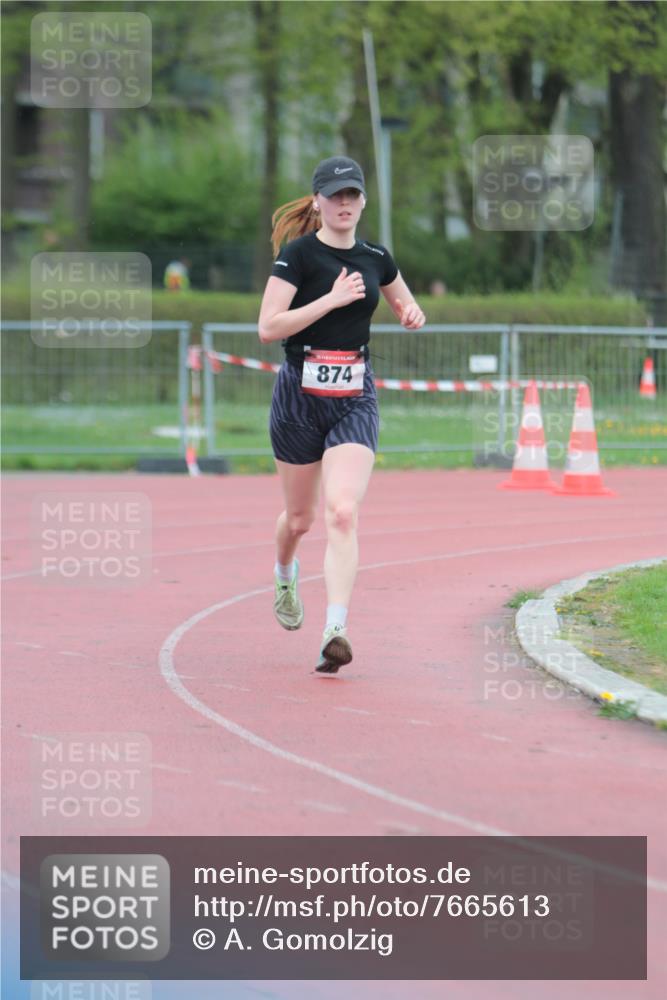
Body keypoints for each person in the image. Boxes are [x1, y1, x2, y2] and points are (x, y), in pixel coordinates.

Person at [257, 155, 425, 674]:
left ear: (363, 201)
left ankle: (336, 629)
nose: (345, 204)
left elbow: (403, 302)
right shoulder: (298, 256)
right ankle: (285, 571)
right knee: (302, 519)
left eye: (353, 195)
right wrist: (329, 300)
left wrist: (411, 313)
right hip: (298, 399)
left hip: (354, 396)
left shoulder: (377, 256)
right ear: (318, 202)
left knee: (343, 511)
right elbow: (269, 327)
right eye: (335, 196)